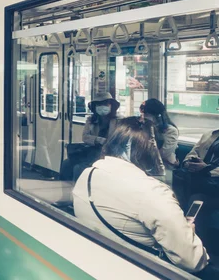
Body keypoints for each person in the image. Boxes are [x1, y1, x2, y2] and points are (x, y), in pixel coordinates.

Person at [73, 117, 212, 276]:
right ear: (154, 152)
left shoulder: (88, 174)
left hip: (102, 259)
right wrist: (187, 231)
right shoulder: (153, 193)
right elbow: (192, 261)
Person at [61, 92, 120, 181]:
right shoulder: (91, 120)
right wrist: (97, 139)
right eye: (99, 104)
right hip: (92, 152)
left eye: (105, 104)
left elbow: (120, 139)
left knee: (79, 169)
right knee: (66, 164)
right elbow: (85, 137)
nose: (102, 107)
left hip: (109, 153)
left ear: (111, 106)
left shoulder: (119, 121)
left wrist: (107, 142)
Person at [181, 130, 219, 255]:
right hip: (203, 184)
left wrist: (206, 169)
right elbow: (193, 152)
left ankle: (199, 249)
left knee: (197, 202)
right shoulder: (210, 135)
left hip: (210, 187)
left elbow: (208, 169)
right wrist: (188, 163)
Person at [141, 98, 179, 168]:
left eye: (146, 114)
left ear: (157, 116)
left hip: (165, 167)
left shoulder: (171, 131)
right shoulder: (143, 127)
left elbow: (162, 154)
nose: (143, 116)